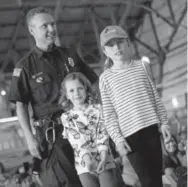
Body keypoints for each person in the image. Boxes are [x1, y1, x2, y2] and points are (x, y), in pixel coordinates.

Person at [8, 7, 98, 187]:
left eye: (52, 24)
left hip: (84, 127)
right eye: (44, 26)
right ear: (32, 30)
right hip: (55, 136)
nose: (51, 29)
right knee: (70, 181)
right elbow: (21, 105)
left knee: (96, 177)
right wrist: (29, 136)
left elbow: (93, 84)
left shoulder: (70, 54)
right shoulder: (25, 67)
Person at [99, 25, 172, 187]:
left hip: (151, 129)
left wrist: (165, 123)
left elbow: (154, 97)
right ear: (105, 51)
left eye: (120, 42)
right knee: (146, 180)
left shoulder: (141, 67)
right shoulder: (105, 79)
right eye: (111, 45)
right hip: (131, 137)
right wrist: (118, 140)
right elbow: (109, 115)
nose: (116, 47)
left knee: (157, 178)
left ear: (128, 43)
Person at [60, 72, 124, 187]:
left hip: (106, 161)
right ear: (67, 95)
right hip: (84, 166)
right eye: (72, 91)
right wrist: (88, 159)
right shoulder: (66, 117)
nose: (77, 93)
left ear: (86, 89)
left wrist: (103, 157)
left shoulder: (99, 109)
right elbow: (77, 141)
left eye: (80, 88)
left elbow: (102, 133)